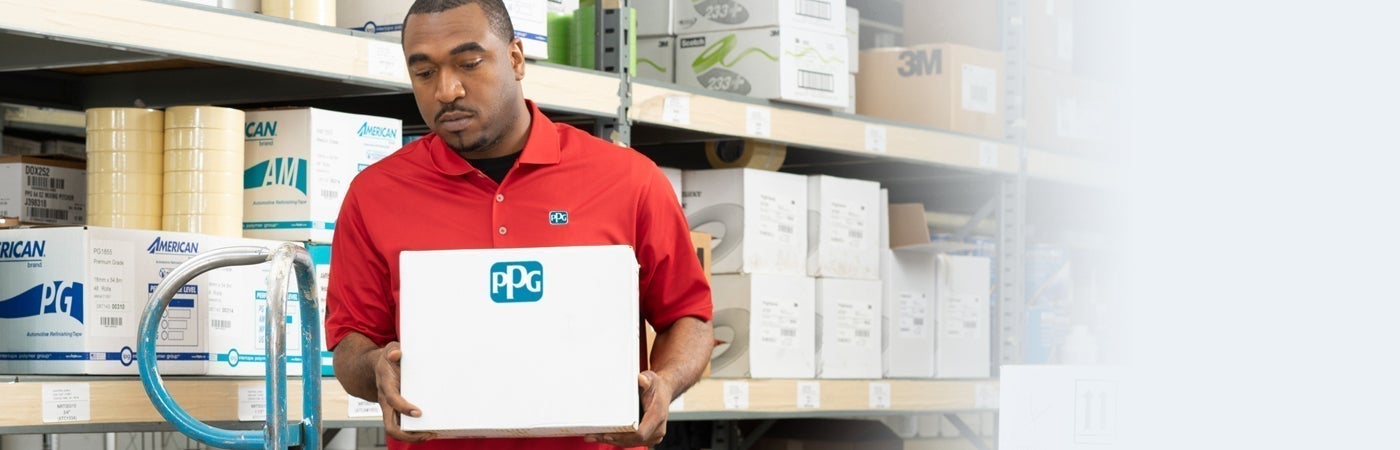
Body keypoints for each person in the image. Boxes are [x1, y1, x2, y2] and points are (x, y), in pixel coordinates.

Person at [323, 1, 715, 449]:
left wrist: (663, 382)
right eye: (425, 72)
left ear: (515, 58)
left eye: (469, 63)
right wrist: (376, 369)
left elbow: (690, 316)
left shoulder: (629, 180)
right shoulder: (375, 194)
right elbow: (351, 342)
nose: (447, 90)